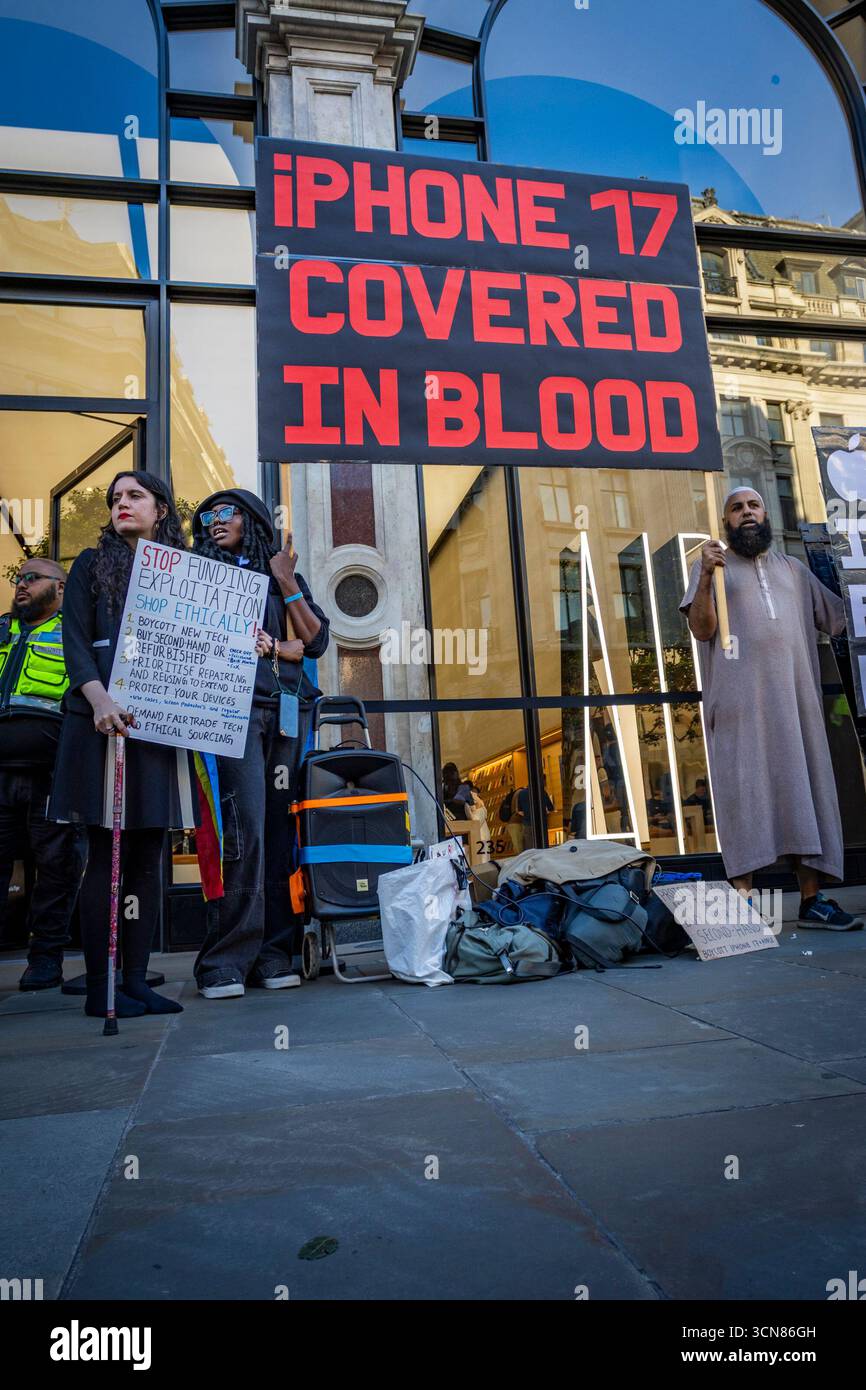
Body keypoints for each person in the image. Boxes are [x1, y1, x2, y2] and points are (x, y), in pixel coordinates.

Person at [680, 485, 862, 930]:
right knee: (746, 796)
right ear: (726, 521)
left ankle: (813, 901)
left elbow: (840, 618)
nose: (746, 513)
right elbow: (702, 630)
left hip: (797, 707)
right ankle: (742, 901)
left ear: (765, 515)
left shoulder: (795, 571)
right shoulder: (713, 569)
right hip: (740, 709)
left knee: (806, 792)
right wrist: (704, 577)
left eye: (753, 505)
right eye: (736, 508)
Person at [49, 472, 191, 1018]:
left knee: (147, 857)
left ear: (161, 508)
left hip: (157, 730)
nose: (121, 505)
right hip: (99, 726)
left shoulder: (184, 573)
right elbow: (76, 644)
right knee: (106, 852)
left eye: (134, 496)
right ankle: (99, 988)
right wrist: (100, 699)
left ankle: (135, 979)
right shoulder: (90, 564)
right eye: (114, 500)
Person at [190, 491, 329, 999]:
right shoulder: (201, 572)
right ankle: (224, 960)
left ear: (251, 519)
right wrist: (277, 646)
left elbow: (314, 642)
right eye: (204, 516)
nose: (211, 521)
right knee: (242, 829)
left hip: (287, 714)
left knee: (278, 831)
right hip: (230, 712)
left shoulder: (281, 574)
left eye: (222, 512)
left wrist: (287, 581)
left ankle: (273, 953)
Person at [0, 558, 86, 990]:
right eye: (19, 578)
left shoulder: (72, 635)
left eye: (32, 579)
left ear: (60, 588)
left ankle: (46, 959)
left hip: (51, 772)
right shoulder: (1, 630)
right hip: (0, 774)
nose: (22, 585)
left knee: (56, 867)